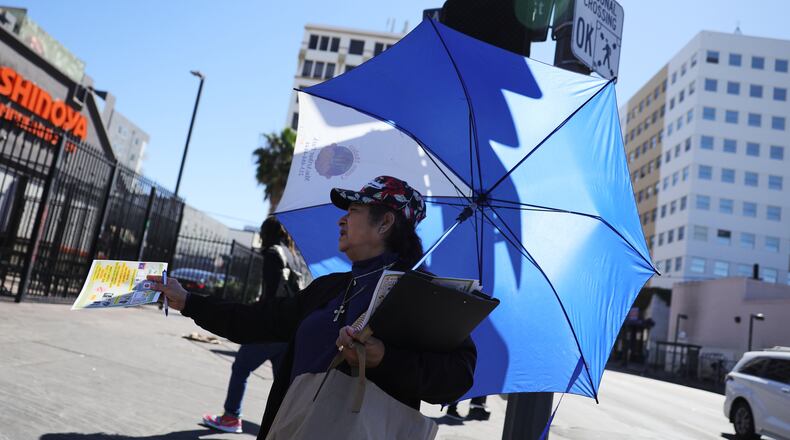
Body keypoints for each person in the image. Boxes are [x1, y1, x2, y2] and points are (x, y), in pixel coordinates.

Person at [152, 175, 477, 439]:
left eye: (353, 210)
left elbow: (458, 374)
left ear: (384, 223)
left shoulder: (417, 294)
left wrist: (384, 358)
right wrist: (189, 302)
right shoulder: (331, 287)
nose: (342, 219)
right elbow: (258, 321)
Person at [201, 216, 312, 433]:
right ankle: (289, 427)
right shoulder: (295, 256)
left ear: (266, 233)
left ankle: (231, 417)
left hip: (268, 326)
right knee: (284, 384)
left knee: (241, 367)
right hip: (288, 329)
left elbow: (270, 295)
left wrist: (255, 312)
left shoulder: (273, 254)